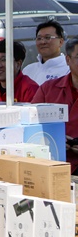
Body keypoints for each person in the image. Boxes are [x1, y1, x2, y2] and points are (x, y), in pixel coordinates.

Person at [32, 37, 78, 173]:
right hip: (53, 161)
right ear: (68, 60)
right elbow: (31, 123)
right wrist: (53, 137)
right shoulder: (48, 89)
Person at [23, 20, 69, 85]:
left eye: (47, 37)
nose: (42, 42)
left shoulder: (69, 69)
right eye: (39, 38)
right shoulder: (28, 70)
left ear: (61, 42)